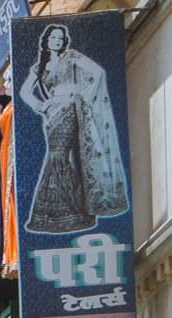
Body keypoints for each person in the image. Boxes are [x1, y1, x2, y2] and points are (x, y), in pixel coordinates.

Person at [18, 21, 129, 234]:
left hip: (71, 109)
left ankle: (70, 211)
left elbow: (97, 73)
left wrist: (82, 95)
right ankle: (61, 212)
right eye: (53, 38)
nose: (57, 41)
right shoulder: (40, 67)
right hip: (52, 115)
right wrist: (40, 106)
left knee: (62, 157)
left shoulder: (73, 57)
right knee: (58, 156)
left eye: (60, 38)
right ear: (46, 41)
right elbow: (25, 91)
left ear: (64, 41)